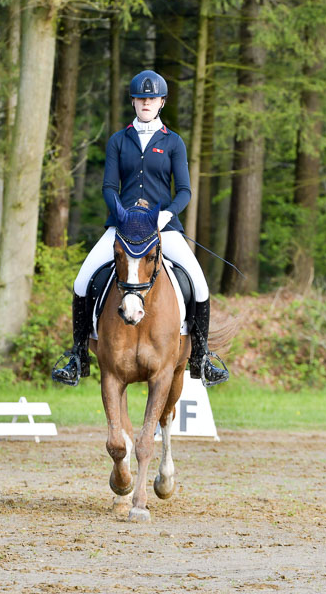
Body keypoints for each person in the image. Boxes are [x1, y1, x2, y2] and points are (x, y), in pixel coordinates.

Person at [52, 69, 229, 387]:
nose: (146, 102)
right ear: (133, 102)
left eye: (152, 98)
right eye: (141, 98)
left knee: (200, 286)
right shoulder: (118, 141)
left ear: (161, 102)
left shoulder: (173, 142)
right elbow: (109, 186)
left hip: (163, 230)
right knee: (82, 282)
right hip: (122, 227)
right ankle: (78, 356)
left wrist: (167, 214)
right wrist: (119, 213)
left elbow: (185, 190)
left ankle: (201, 358)